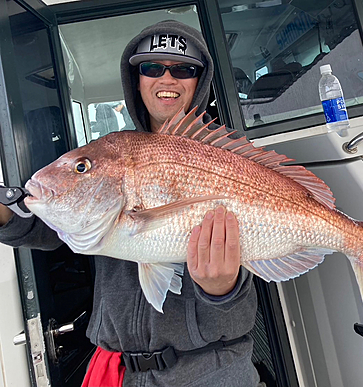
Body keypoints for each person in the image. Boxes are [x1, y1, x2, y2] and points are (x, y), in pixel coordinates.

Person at [0, 20, 260, 387]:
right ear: (136, 79)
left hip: (212, 371)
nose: (167, 79)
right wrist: (6, 214)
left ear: (198, 82)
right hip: (119, 372)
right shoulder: (112, 150)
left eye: (183, 69)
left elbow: (241, 306)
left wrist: (223, 289)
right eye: (152, 68)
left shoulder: (225, 156)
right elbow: (56, 223)